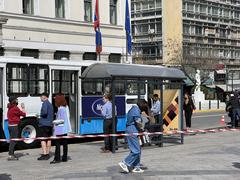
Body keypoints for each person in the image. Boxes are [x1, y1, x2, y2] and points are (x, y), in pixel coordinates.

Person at [118, 99, 149, 173]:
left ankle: (136, 167)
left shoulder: (134, 109)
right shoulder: (135, 110)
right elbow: (138, 122)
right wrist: (142, 128)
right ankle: (124, 162)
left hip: (133, 130)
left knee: (137, 149)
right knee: (136, 150)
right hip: (132, 130)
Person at [50, 94, 72, 164]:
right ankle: (64, 157)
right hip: (64, 129)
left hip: (60, 128)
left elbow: (61, 120)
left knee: (57, 144)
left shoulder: (61, 109)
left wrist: (53, 122)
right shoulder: (64, 107)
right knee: (65, 143)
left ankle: (57, 158)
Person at [7, 96, 26, 160]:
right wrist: (23, 108)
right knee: (14, 141)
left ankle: (11, 154)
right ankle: (11, 155)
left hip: (10, 126)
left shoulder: (9, 107)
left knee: (12, 140)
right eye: (16, 100)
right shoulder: (15, 108)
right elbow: (23, 114)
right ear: (14, 101)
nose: (17, 101)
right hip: (14, 126)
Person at [38, 93, 53, 160]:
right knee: (49, 139)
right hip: (50, 124)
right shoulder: (50, 104)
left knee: (43, 139)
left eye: (40, 97)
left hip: (44, 124)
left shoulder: (44, 103)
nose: (40, 99)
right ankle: (48, 153)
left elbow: (44, 112)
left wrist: (39, 115)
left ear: (44, 97)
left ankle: (45, 154)